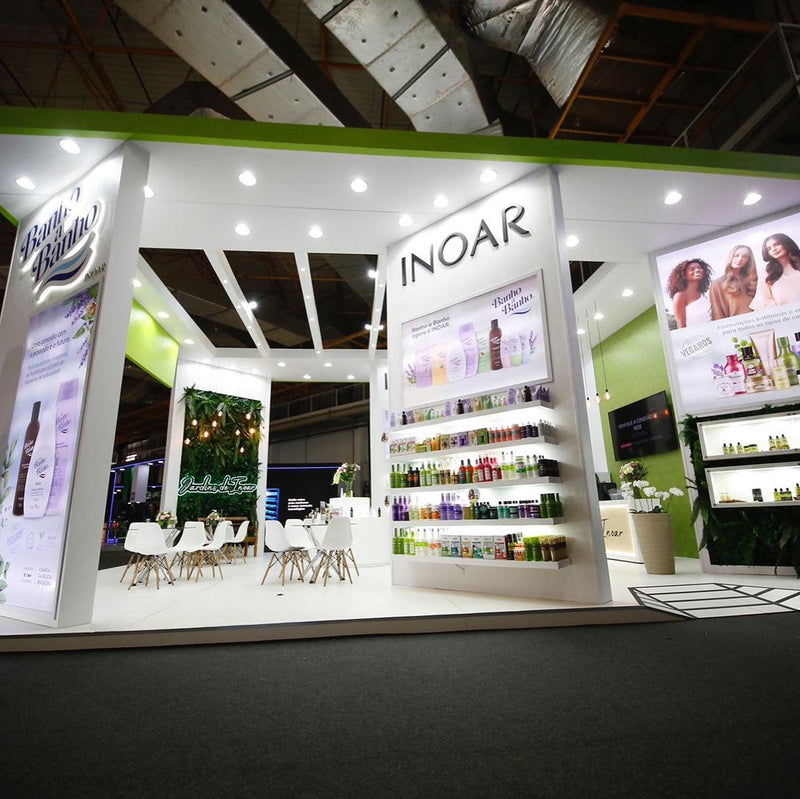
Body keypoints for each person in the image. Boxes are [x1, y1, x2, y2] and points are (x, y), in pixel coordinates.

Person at [750, 233, 800, 310]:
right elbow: (761, 299)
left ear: (786, 243)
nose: (774, 249)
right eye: (769, 248)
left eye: (777, 244)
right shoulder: (767, 273)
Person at [709, 245, 757, 319]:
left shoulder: (754, 281)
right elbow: (717, 314)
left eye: (744, 256)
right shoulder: (717, 284)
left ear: (749, 260)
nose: (740, 259)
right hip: (736, 325)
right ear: (731, 257)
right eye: (736, 255)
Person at [666, 258, 713, 328]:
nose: (697, 270)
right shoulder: (680, 296)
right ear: (684, 275)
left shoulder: (703, 296)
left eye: (699, 268)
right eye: (692, 269)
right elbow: (681, 325)